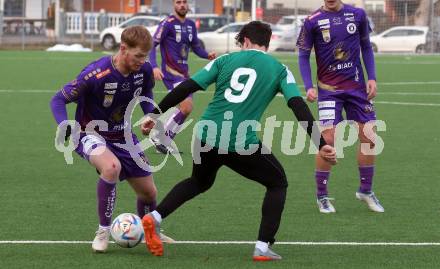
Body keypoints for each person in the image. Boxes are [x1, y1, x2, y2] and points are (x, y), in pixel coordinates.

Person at [140, 21, 337, 261]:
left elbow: (187, 87)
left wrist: (155, 114)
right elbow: (297, 106)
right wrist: (320, 143)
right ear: (267, 42)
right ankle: (262, 248)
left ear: (245, 41)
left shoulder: (223, 60)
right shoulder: (280, 69)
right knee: (278, 183)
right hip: (239, 141)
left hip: (205, 135)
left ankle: (154, 218)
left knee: (198, 181)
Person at [49, 26, 173, 253]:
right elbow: (57, 100)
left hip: (123, 135)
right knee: (111, 168)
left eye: (145, 56)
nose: (142, 61)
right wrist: (65, 125)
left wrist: (150, 116)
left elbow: (146, 96)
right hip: (90, 134)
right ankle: (103, 231)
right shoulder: (95, 74)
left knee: (149, 193)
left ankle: (150, 231)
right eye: (137, 56)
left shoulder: (144, 70)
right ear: (123, 48)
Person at [296, 0, 384, 213]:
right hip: (328, 90)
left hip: (357, 88)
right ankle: (322, 196)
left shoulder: (358, 15)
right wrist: (308, 86)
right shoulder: (311, 21)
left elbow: (366, 47)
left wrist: (371, 77)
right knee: (327, 141)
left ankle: (365, 190)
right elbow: (303, 55)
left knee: (369, 136)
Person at [148, 0, 216, 154]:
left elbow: (196, 46)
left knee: (185, 109)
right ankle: (160, 137)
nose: (182, 5)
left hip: (185, 75)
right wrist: (154, 66)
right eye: (179, 2)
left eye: (185, 2)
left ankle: (163, 141)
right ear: (174, 5)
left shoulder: (191, 24)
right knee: (186, 106)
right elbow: (153, 44)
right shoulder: (167, 23)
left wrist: (207, 55)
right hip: (171, 73)